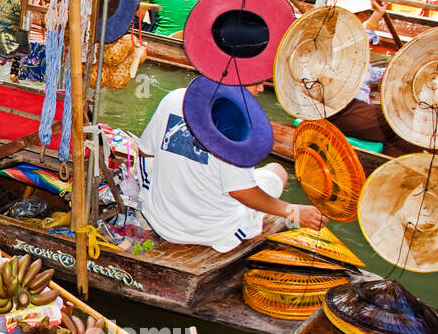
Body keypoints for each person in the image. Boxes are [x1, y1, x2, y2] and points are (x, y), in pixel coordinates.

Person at [137, 87, 327, 253]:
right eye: (256, 81)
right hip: (211, 233)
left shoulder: (175, 98)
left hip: (159, 218)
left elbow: (145, 152)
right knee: (278, 170)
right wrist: (292, 211)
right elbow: (241, 192)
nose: (261, 88)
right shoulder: (241, 126)